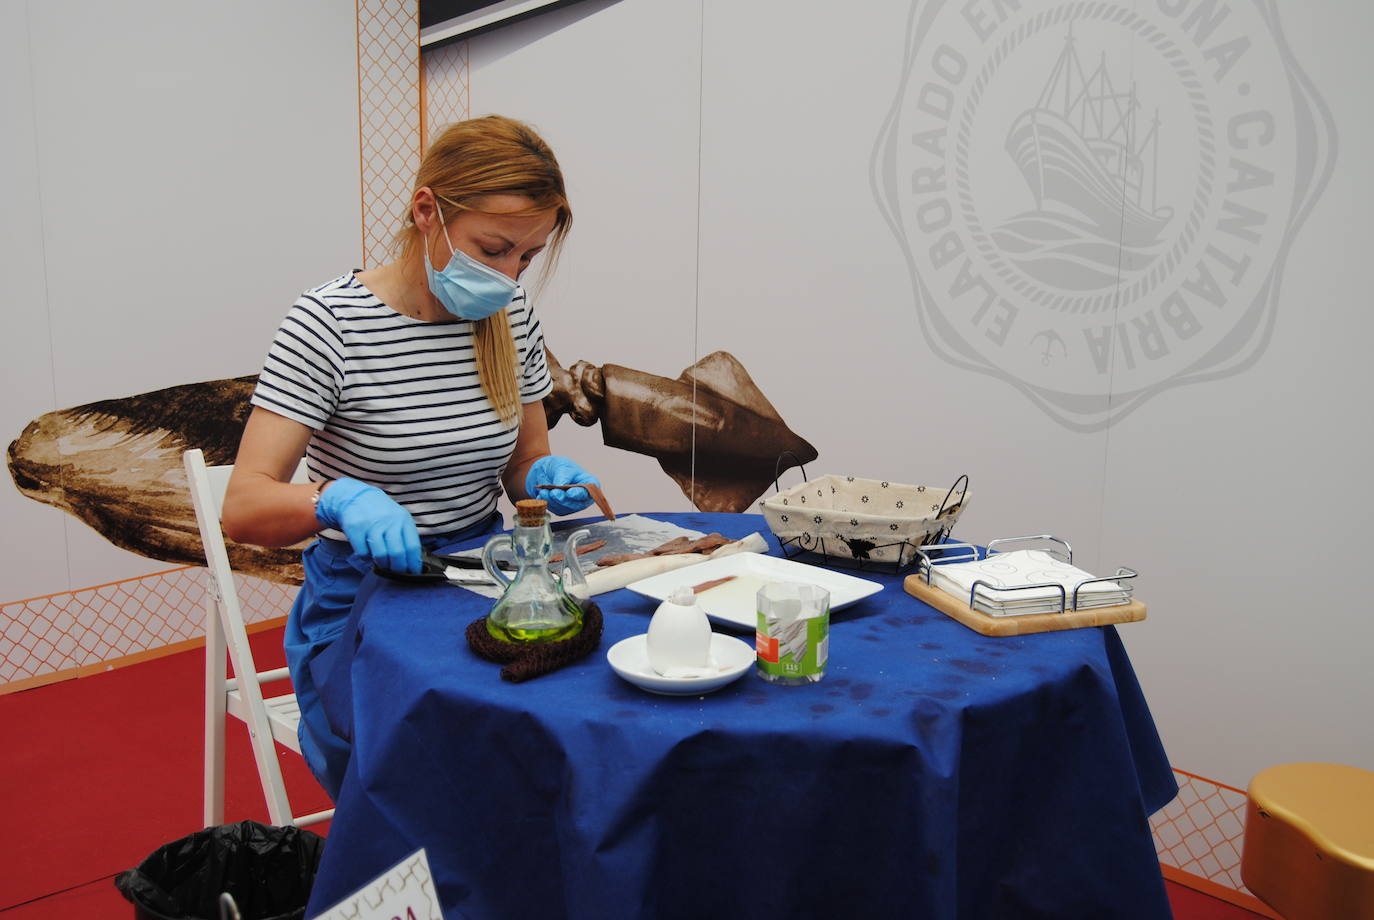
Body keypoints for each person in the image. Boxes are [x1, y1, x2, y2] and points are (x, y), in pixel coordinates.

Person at [221, 115, 602, 798]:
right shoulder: (328, 325)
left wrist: (541, 481)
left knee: (554, 742)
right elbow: (244, 507)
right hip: (361, 603)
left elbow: (525, 467)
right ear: (427, 211)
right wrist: (333, 498)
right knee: (425, 777)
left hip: (482, 584)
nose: (511, 275)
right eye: (493, 248)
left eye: (528, 256)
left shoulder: (510, 318)